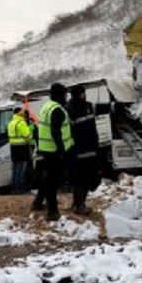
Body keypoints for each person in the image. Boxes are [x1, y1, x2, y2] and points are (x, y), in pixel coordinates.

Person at [31, 83, 74, 221]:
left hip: (45, 149)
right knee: (52, 182)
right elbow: (56, 133)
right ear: (59, 95)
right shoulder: (57, 110)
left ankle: (38, 203)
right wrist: (62, 151)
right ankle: (52, 211)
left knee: (47, 179)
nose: (66, 97)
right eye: (64, 94)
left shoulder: (46, 107)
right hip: (54, 151)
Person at [67, 84, 100, 215]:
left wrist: (115, 106)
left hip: (91, 148)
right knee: (80, 179)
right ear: (76, 95)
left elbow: (101, 108)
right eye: (82, 93)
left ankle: (78, 203)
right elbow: (70, 131)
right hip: (79, 151)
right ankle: (79, 205)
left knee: (88, 179)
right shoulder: (70, 109)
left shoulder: (88, 106)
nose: (84, 95)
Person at [7, 106, 34, 193]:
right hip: (22, 147)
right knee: (21, 169)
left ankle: (14, 188)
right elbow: (27, 135)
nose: (23, 113)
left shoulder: (11, 123)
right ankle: (20, 189)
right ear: (19, 113)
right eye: (22, 111)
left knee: (15, 168)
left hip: (13, 147)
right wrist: (31, 132)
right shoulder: (21, 123)